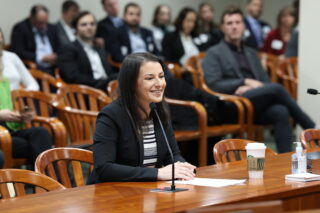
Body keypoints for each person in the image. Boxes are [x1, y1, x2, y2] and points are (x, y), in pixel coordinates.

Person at [202, 6, 315, 153]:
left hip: (254, 102)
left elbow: (264, 81)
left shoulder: (250, 53)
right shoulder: (214, 52)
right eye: (229, 23)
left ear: (243, 26)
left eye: (237, 22)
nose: (234, 27)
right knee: (277, 88)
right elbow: (213, 84)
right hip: (231, 104)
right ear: (223, 28)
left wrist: (254, 88)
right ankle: (313, 130)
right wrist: (244, 82)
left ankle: (285, 160)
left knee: (281, 111)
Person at [88, 52, 196, 183]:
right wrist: (157, 173)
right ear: (132, 83)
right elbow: (104, 168)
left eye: (161, 76)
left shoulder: (158, 109)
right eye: (150, 78)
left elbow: (172, 155)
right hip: (111, 194)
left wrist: (183, 168)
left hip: (146, 191)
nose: (159, 83)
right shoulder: (110, 115)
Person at [0, 28, 52, 168]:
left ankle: (48, 180)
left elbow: (31, 85)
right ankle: (44, 181)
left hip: (8, 128)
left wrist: (21, 115)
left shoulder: (4, 81)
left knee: (41, 133)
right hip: (2, 131)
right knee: (31, 145)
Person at [58, 11, 116, 90]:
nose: (89, 27)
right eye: (84, 24)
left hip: (109, 87)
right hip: (88, 90)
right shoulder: (68, 48)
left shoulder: (99, 48)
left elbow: (108, 72)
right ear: (76, 28)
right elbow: (72, 76)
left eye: (92, 24)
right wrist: (100, 82)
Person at [10, 4, 60, 75]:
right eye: (40, 23)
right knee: (46, 73)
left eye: (45, 22)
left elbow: (59, 47)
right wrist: (41, 58)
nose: (44, 26)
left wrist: (56, 55)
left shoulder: (51, 28)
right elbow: (18, 51)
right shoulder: (20, 29)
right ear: (31, 17)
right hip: (35, 65)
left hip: (54, 63)